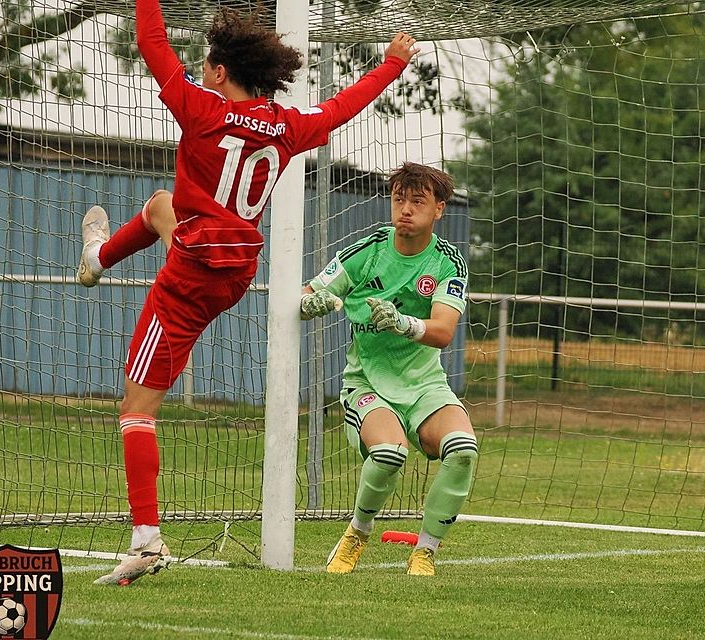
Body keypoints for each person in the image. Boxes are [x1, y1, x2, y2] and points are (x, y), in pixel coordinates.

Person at [82, 0, 419, 586]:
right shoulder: (287, 126)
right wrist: (390, 64)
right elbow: (342, 108)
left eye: (205, 64)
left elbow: (152, 44)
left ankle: (146, 542)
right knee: (165, 207)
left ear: (217, 72)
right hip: (235, 273)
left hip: (189, 278)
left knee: (136, 413)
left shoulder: (200, 108)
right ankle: (97, 258)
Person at [299, 162, 477, 576]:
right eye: (400, 199)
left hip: (424, 387)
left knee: (463, 450)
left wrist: (404, 323)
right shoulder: (367, 252)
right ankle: (356, 535)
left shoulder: (448, 263)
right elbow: (308, 292)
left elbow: (443, 331)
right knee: (389, 451)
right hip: (368, 386)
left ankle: (425, 551)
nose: (406, 209)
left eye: (418, 201)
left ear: (439, 210)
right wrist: (310, 303)